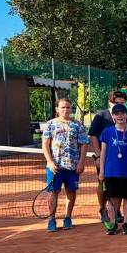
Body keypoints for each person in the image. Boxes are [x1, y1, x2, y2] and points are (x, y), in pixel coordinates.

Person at [40, 97, 89, 232]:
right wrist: (50, 162)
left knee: (71, 192)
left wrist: (81, 162)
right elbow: (45, 145)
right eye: (62, 107)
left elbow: (84, 144)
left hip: (72, 166)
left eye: (68, 107)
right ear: (57, 109)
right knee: (53, 192)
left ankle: (67, 218)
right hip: (55, 167)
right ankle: (52, 220)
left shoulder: (78, 125)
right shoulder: (50, 124)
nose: (66, 109)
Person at [89, 90, 127, 223]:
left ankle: (116, 213)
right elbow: (93, 135)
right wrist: (98, 156)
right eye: (116, 102)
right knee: (102, 184)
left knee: (120, 191)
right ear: (111, 102)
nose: (119, 105)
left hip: (123, 164)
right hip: (105, 160)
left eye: (122, 103)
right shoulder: (101, 115)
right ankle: (103, 209)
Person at [98, 103, 127, 235]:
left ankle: (126, 223)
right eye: (116, 113)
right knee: (113, 198)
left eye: (122, 113)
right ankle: (113, 222)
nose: (120, 116)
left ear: (126, 115)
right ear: (113, 116)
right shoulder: (107, 132)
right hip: (111, 171)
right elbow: (103, 152)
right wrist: (102, 171)